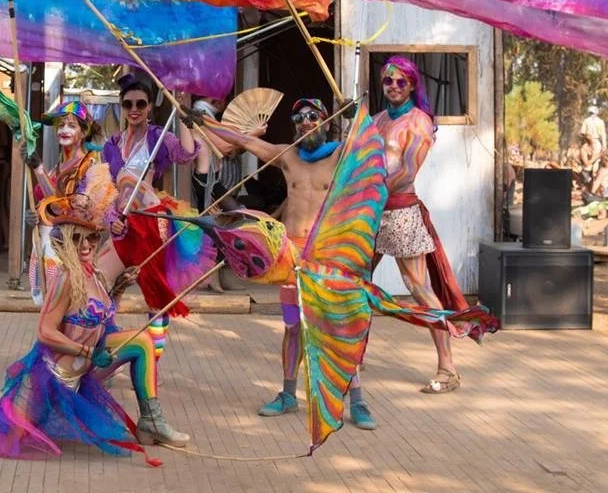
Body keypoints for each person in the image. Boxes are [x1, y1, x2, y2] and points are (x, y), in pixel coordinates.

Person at [0, 188, 189, 463]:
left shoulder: (94, 275)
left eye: (91, 238)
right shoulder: (66, 278)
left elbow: (102, 320)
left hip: (83, 372)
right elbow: (45, 332)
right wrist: (87, 352)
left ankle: (151, 420)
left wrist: (119, 287)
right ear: (65, 244)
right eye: (77, 239)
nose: (85, 246)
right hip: (50, 377)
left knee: (142, 344)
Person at [205, 97, 376, 429]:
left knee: (338, 327)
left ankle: (357, 400)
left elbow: (372, 145)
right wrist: (203, 122)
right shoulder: (288, 155)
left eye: (313, 116)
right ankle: (287, 395)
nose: (306, 121)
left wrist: (359, 113)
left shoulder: (341, 155)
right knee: (293, 327)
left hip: (328, 255)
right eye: (299, 117)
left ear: (327, 121)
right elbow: (245, 141)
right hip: (292, 255)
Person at [372, 55, 497, 394]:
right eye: (388, 81)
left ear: (412, 84)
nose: (394, 87)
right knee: (353, 280)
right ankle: (349, 354)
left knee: (420, 289)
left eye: (401, 81)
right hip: (368, 212)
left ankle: (448, 368)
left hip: (399, 213)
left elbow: (406, 174)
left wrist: (369, 188)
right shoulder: (376, 119)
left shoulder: (419, 123)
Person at [102, 72, 202, 364]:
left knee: (156, 298)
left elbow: (186, 154)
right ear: (121, 107)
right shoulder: (112, 144)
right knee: (100, 287)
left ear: (149, 107)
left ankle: (151, 365)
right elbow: (106, 188)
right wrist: (111, 218)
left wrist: (184, 117)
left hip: (150, 224)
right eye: (128, 104)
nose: (134, 109)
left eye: (140, 104)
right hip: (121, 224)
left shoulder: (159, 138)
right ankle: (103, 351)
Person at [23, 101, 121, 305]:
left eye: (71, 125)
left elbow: (65, 206)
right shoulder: (57, 167)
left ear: (84, 132)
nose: (64, 130)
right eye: (60, 125)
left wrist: (38, 169)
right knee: (47, 305)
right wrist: (35, 215)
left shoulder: (91, 166)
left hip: (71, 247)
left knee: (66, 304)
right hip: (45, 244)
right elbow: (47, 205)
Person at [190, 95, 246, 293]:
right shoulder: (200, 116)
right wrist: (250, 135)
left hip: (213, 179)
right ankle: (210, 278)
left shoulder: (207, 117)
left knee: (229, 219)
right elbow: (225, 147)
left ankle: (215, 276)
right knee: (213, 226)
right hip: (205, 181)